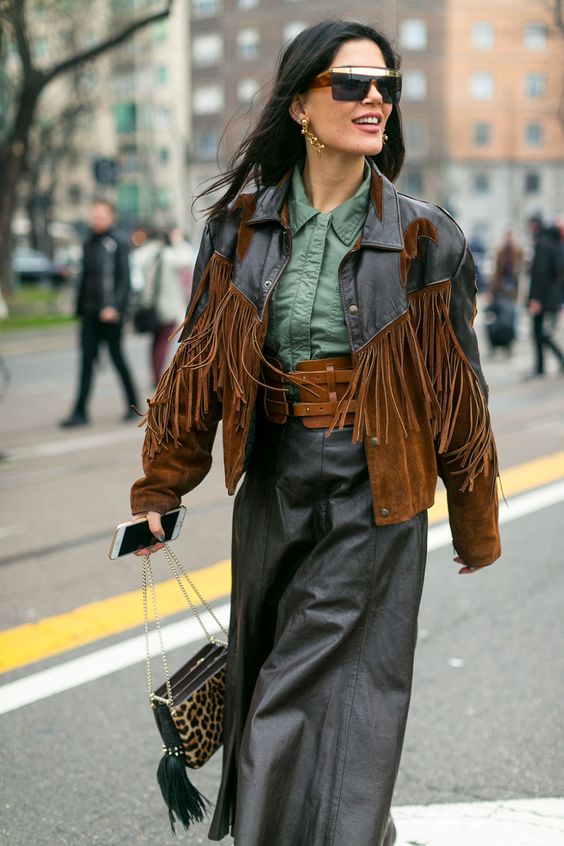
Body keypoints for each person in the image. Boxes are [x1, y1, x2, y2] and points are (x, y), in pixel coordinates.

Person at [127, 20, 501, 846]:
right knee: (288, 676)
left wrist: (474, 522)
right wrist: (160, 486)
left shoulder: (423, 236)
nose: (375, 102)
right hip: (275, 481)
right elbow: (198, 366)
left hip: (381, 490)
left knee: (292, 693)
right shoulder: (238, 228)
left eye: (387, 88)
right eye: (352, 85)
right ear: (301, 104)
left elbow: (458, 395)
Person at [60, 198, 139, 427]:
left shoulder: (118, 243)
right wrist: (79, 308)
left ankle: (133, 405)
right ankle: (79, 412)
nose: (96, 219)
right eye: (94, 215)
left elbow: (124, 280)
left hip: (110, 314)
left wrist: (115, 307)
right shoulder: (88, 242)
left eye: (101, 215)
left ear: (112, 217)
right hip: (89, 313)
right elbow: (85, 278)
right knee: (85, 362)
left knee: (118, 359)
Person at [136, 227, 195, 386]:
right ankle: (158, 378)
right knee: (163, 341)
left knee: (155, 342)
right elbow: (188, 259)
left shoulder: (146, 255)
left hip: (151, 304)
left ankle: (155, 375)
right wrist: (178, 241)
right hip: (167, 306)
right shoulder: (169, 256)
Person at [526, 214, 564, 378]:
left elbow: (539, 273)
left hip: (542, 297)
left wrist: (535, 298)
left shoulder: (542, 244)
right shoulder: (555, 243)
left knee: (540, 332)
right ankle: (541, 366)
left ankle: (547, 364)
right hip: (551, 295)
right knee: (541, 331)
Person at [486, 230, 523, 354]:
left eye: (511, 237)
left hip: (512, 291)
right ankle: (496, 344)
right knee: (498, 318)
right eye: (507, 237)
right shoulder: (500, 252)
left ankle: (509, 345)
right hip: (500, 289)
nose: (509, 239)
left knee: (512, 319)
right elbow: (495, 271)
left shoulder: (518, 252)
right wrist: (491, 290)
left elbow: (521, 270)